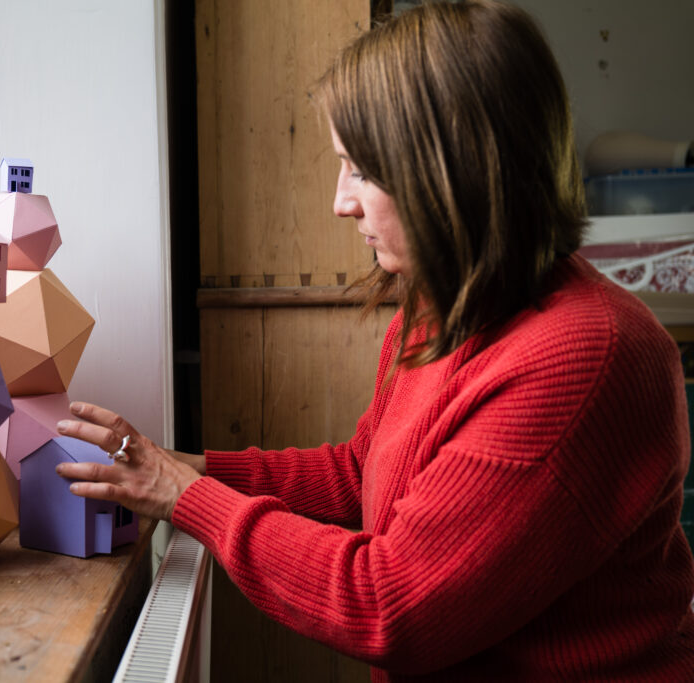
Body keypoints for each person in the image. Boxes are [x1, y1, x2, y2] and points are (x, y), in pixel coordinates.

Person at [55, 1, 694, 679]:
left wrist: (184, 495)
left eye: (362, 169)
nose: (340, 202)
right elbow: (363, 475)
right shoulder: (439, 307)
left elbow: (388, 603)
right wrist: (185, 465)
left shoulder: (589, 357)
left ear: (455, 170)